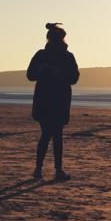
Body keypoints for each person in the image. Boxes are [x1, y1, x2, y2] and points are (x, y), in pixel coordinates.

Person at [27, 22, 80, 181]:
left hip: (48, 100)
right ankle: (55, 170)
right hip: (55, 100)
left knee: (48, 134)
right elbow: (31, 75)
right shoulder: (60, 56)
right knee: (55, 135)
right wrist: (43, 71)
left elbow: (73, 78)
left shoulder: (48, 55)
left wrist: (55, 73)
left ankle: (40, 169)